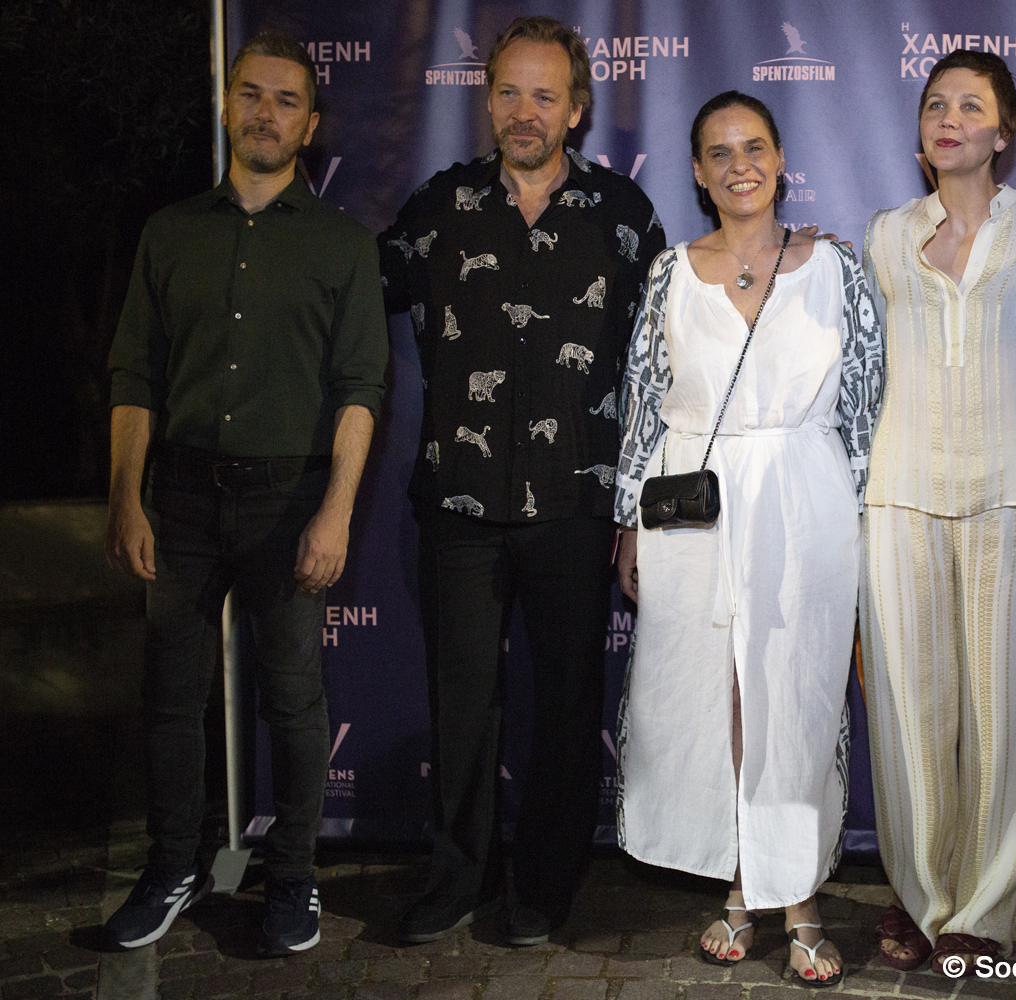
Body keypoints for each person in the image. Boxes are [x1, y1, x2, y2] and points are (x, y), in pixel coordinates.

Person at [378, 16, 665, 947]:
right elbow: (347, 291)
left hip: (575, 509)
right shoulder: (439, 207)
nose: (524, 111)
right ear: (487, 98)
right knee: (462, 706)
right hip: (457, 504)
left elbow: (669, 359)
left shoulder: (624, 217)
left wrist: (786, 257)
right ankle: (456, 880)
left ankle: (544, 886)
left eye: (545, 94)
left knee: (569, 706)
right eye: (508, 91)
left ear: (577, 109)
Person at [103, 32, 387, 956]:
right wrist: (126, 496)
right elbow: (135, 373)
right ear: (227, 106)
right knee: (170, 698)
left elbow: (360, 388)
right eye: (252, 94)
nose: (267, 113)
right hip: (178, 497)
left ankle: (294, 878)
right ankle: (171, 868)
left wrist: (336, 512)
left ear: (310, 123)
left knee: (295, 700)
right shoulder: (170, 231)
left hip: (289, 499)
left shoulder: (344, 245)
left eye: (286, 100)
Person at [612, 91, 883, 987]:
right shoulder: (668, 275)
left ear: (780, 159)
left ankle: (797, 897)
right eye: (720, 152)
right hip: (693, 513)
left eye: (754, 147)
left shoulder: (835, 268)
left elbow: (865, 402)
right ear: (697, 171)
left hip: (805, 502)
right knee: (715, 700)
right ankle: (738, 883)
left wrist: (864, 519)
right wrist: (627, 522)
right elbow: (644, 403)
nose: (740, 166)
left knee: (795, 701)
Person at [858, 50, 1016, 974]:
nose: (949, 119)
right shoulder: (883, 236)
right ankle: (920, 897)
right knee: (906, 712)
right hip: (898, 493)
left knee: (1008, 712)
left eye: (970, 106)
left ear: (1004, 131)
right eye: (935, 104)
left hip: (1014, 494)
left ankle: (984, 911)